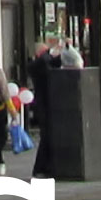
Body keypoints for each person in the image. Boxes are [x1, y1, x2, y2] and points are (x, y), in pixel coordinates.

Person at [29, 41, 61, 177]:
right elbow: (43, 62)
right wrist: (51, 53)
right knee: (46, 135)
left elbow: (53, 63)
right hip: (43, 105)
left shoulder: (44, 64)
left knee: (48, 136)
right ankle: (41, 168)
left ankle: (45, 167)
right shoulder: (36, 65)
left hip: (47, 104)